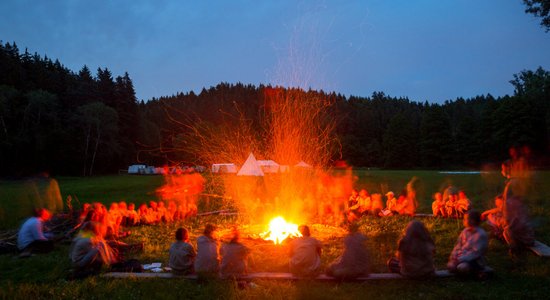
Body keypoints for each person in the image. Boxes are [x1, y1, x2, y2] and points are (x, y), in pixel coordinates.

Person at [447, 211, 488, 276]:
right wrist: (454, 255)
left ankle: (478, 272)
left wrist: (460, 259)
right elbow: (458, 245)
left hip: (474, 260)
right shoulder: (465, 231)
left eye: (465, 219)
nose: (463, 220)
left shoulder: (480, 235)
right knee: (450, 266)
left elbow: (476, 253)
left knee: (462, 268)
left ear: (473, 221)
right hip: (462, 257)